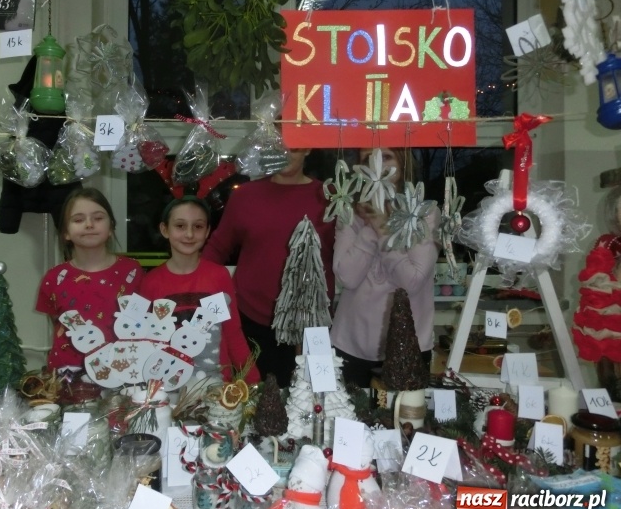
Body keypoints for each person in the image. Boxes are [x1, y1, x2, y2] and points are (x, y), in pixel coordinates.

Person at [203, 149, 335, 387]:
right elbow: (215, 250)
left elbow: (345, 255)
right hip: (249, 322)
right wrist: (199, 297)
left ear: (308, 149)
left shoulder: (329, 197)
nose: (285, 153)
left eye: (293, 147)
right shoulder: (245, 196)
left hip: (310, 326)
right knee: (251, 403)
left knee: (309, 404)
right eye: (277, 146)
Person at [331, 148, 439, 388]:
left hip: (409, 344)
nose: (377, 165)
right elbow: (347, 277)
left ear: (403, 162)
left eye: (386, 156)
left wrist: (382, 228)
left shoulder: (425, 213)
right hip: (350, 344)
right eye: (367, 159)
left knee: (405, 420)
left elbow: (411, 281)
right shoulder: (349, 213)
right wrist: (371, 228)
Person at [140, 196, 260, 385]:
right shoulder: (151, 282)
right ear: (165, 230)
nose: (189, 234)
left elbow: (232, 332)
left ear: (207, 231)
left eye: (197, 227)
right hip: (167, 385)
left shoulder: (218, 276)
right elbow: (144, 341)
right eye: (180, 226)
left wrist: (253, 382)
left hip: (216, 383)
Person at [36, 187, 143, 372]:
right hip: (66, 377)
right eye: (78, 220)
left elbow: (140, 322)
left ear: (111, 227)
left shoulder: (132, 271)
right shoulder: (54, 278)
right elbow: (57, 323)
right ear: (65, 233)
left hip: (120, 372)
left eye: (98, 218)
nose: (89, 225)